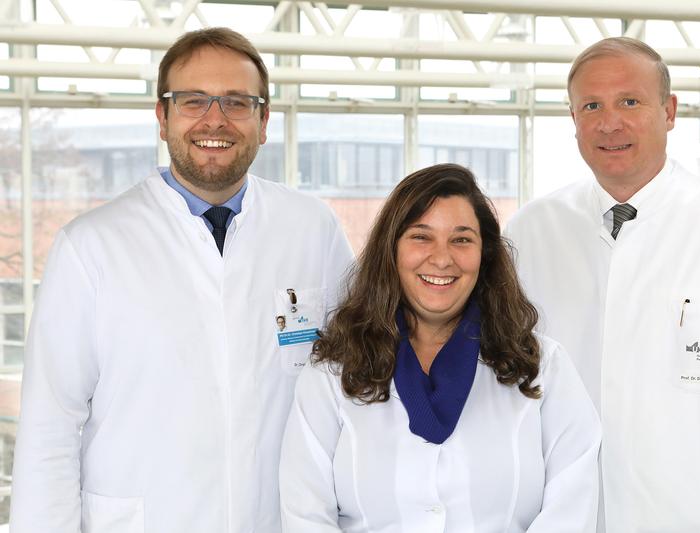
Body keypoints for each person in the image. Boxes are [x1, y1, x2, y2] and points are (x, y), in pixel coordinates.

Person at [10, 27, 353, 532]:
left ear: (264, 122)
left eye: (237, 102)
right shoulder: (90, 247)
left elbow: (355, 381)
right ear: (162, 115)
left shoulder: (313, 229)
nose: (215, 119)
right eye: (194, 100)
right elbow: (50, 426)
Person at [505, 37, 700, 533]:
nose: (609, 122)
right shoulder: (529, 232)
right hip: (565, 518)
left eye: (630, 102)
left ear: (669, 111)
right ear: (573, 119)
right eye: (591, 105)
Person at [279, 163, 601, 532]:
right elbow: (306, 514)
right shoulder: (333, 373)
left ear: (486, 255)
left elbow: (570, 507)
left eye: (462, 239)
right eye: (421, 236)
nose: (442, 258)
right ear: (392, 250)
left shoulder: (544, 368)